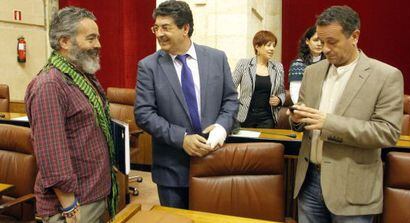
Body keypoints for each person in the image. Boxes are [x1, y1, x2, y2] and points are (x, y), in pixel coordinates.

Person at [288, 5, 404, 223]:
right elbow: (304, 119)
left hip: (353, 188)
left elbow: (387, 133)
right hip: (309, 182)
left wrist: (328, 122)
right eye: (322, 42)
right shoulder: (311, 73)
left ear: (355, 36)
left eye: (332, 42)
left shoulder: (386, 76)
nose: (325, 49)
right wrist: (296, 120)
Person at [134, 0, 238, 209]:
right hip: (172, 170)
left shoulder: (217, 58)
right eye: (156, 27)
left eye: (166, 27)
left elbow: (231, 100)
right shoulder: (148, 66)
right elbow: (144, 113)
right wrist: (181, 138)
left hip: (215, 162)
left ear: (185, 28)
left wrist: (221, 127)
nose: (159, 33)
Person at [25, 6, 118, 223]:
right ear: (65, 42)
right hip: (74, 206)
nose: (98, 45)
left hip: (94, 194)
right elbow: (51, 151)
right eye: (91, 38)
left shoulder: (80, 77)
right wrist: (69, 205)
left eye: (98, 38)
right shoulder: (50, 85)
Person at [232, 30, 285, 128]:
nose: (272, 49)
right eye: (268, 45)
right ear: (257, 46)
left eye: (274, 46)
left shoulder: (278, 67)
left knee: (264, 143)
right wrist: (234, 107)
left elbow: (282, 92)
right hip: (244, 117)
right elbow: (230, 88)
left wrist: (279, 99)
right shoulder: (243, 64)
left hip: (267, 119)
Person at [288, 25, 324, 103]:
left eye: (322, 41)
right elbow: (295, 95)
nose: (319, 44)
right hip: (306, 108)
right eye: (316, 40)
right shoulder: (298, 65)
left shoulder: (331, 63)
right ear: (307, 41)